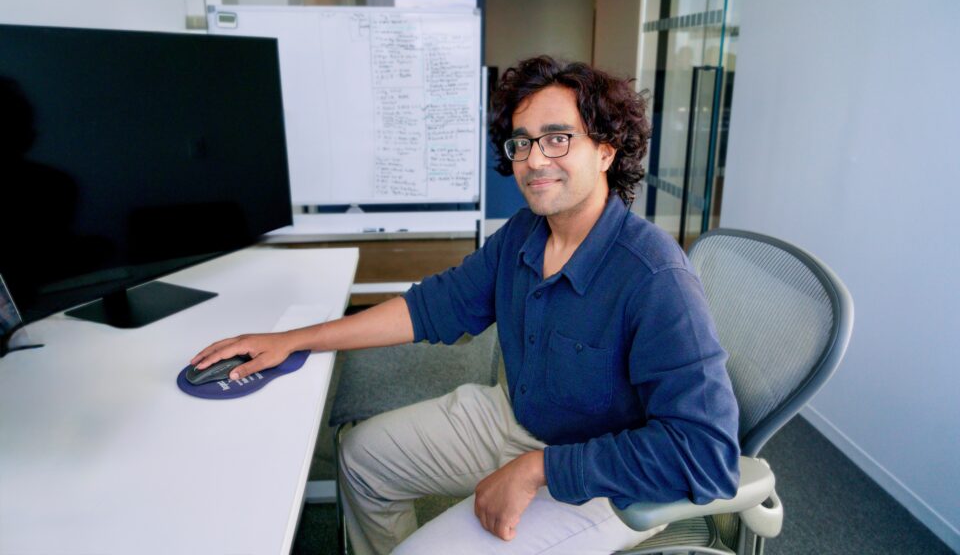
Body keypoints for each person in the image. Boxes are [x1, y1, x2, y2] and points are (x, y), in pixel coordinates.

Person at [190, 56, 740, 555]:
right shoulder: (526, 232)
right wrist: (294, 339)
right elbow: (430, 307)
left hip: (606, 475)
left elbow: (707, 454)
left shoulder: (653, 275)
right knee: (361, 459)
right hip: (521, 416)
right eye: (521, 142)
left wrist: (539, 469)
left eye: (556, 138)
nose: (532, 159)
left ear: (605, 149)